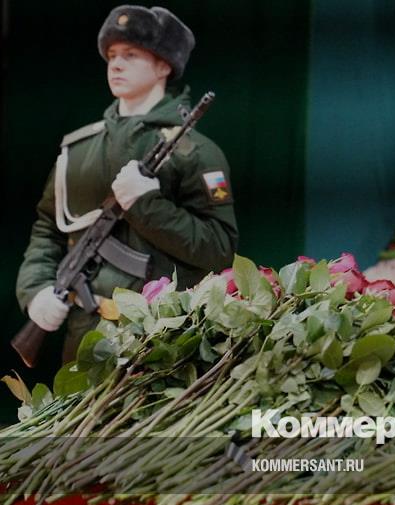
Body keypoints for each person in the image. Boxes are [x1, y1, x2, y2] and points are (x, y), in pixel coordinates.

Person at [16, 5, 238, 362]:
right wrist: (36, 290)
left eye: (131, 55)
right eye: (112, 55)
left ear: (164, 66)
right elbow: (48, 230)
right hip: (87, 340)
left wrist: (147, 205)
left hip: (166, 342)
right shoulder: (78, 150)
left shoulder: (196, 153)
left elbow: (219, 248)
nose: (116, 65)